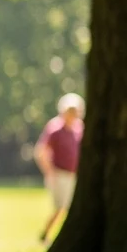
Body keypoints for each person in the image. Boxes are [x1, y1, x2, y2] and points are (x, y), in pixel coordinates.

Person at [36, 92, 84, 244]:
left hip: (73, 174)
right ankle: (47, 234)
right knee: (61, 208)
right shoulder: (55, 128)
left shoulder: (78, 129)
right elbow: (41, 151)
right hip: (60, 174)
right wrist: (50, 172)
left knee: (68, 208)